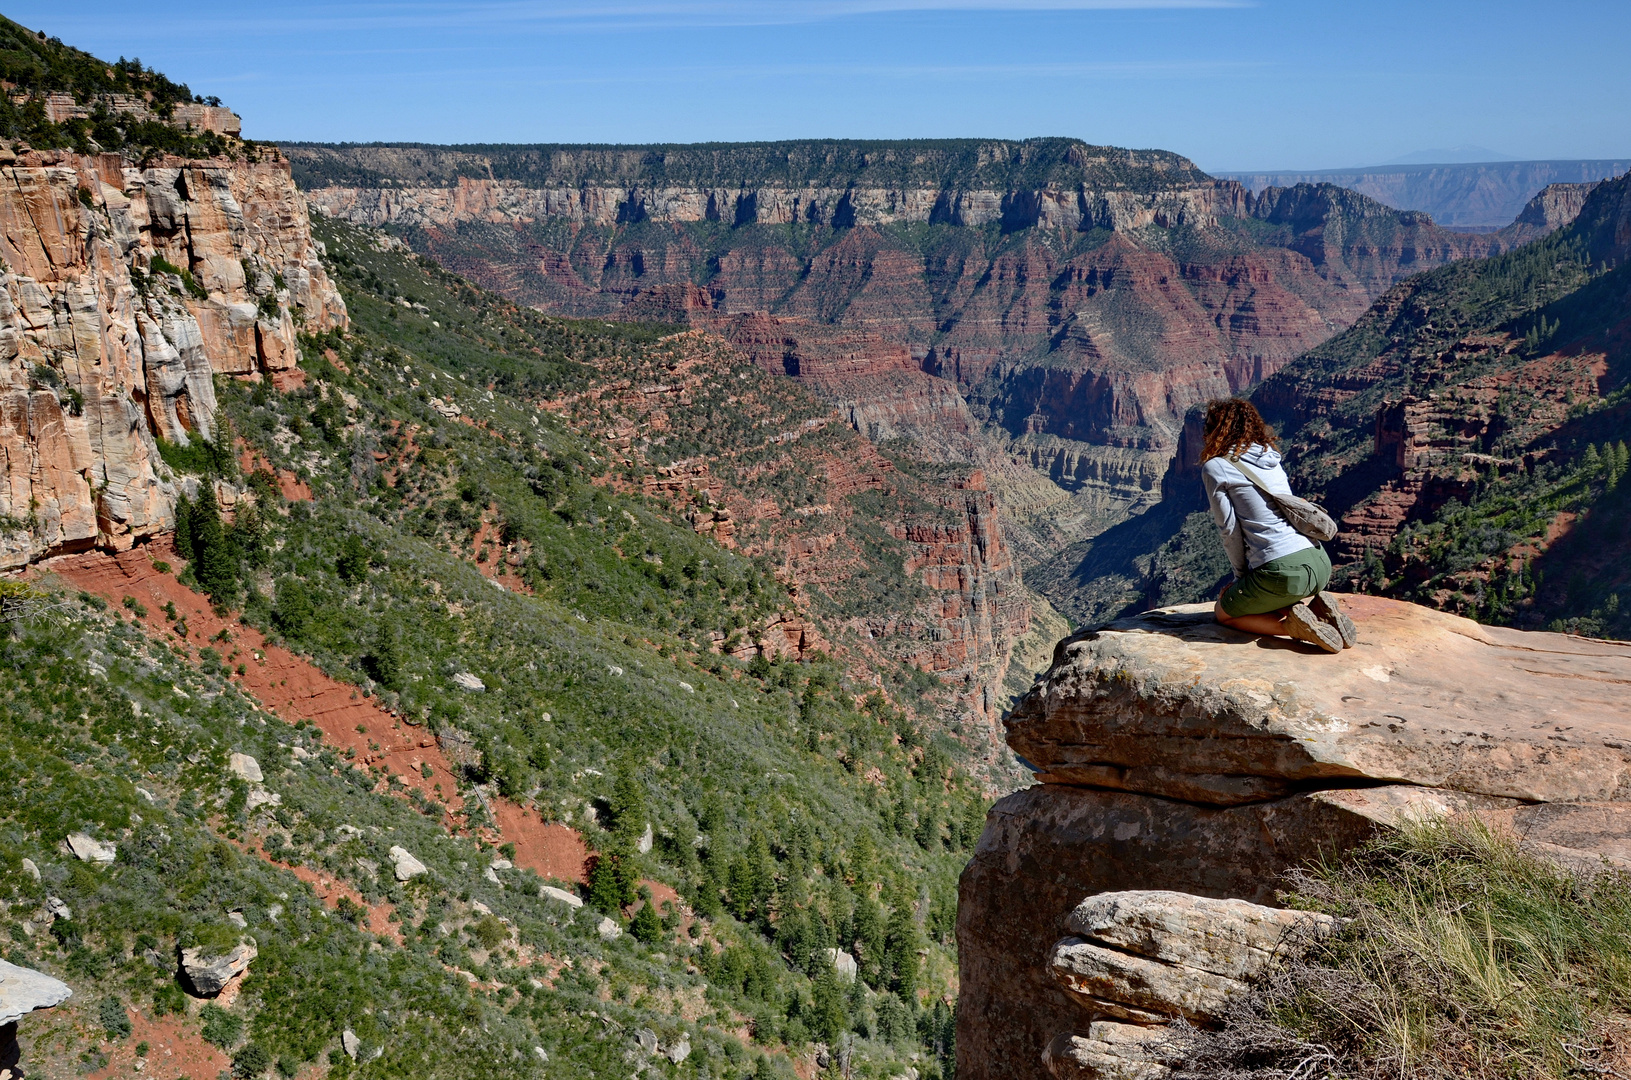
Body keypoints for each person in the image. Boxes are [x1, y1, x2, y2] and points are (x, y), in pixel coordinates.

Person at [1200, 398, 1357, 653]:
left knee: (1224, 614)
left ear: (1216, 430)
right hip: (1318, 563)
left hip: (1283, 572)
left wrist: (1240, 579)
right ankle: (1318, 612)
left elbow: (1228, 529)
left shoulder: (1216, 467)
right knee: (1269, 590)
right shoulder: (1269, 456)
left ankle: (1294, 629)